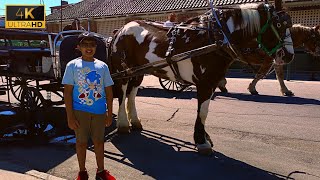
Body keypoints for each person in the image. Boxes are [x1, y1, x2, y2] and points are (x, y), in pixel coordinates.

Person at [62, 32, 115, 180]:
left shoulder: (102, 66)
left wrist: (109, 113)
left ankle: (101, 171)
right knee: (81, 142)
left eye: (92, 44)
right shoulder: (72, 66)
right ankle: (82, 172)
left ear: (96, 47)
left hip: (99, 112)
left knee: (99, 142)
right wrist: (70, 116)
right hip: (80, 111)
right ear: (78, 47)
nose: (88, 48)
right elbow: (67, 93)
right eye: (85, 45)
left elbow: (109, 91)